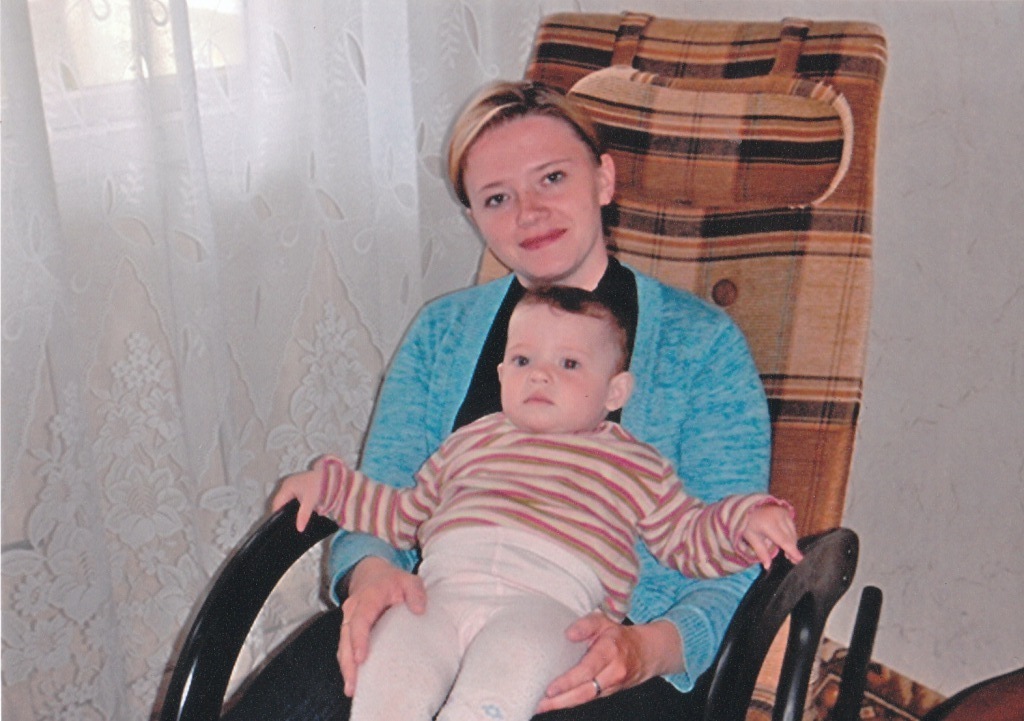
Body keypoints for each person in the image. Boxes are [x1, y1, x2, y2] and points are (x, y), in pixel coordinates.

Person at [222, 80, 774, 721]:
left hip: (602, 651)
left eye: (552, 178)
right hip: (428, 611)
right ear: (475, 217)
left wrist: (648, 650)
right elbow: (386, 497)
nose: (528, 213)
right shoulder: (442, 331)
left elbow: (733, 564)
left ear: (603, 180)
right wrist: (369, 575)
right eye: (497, 198)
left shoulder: (701, 345)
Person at [271, 287, 801, 721]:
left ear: (615, 392)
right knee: (387, 678)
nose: (541, 374)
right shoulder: (468, 443)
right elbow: (403, 512)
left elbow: (688, 536)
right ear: (502, 374)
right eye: (524, 359)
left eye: (569, 363)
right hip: (440, 592)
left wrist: (744, 522)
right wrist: (331, 489)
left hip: (549, 608)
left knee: (499, 686)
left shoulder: (635, 463)